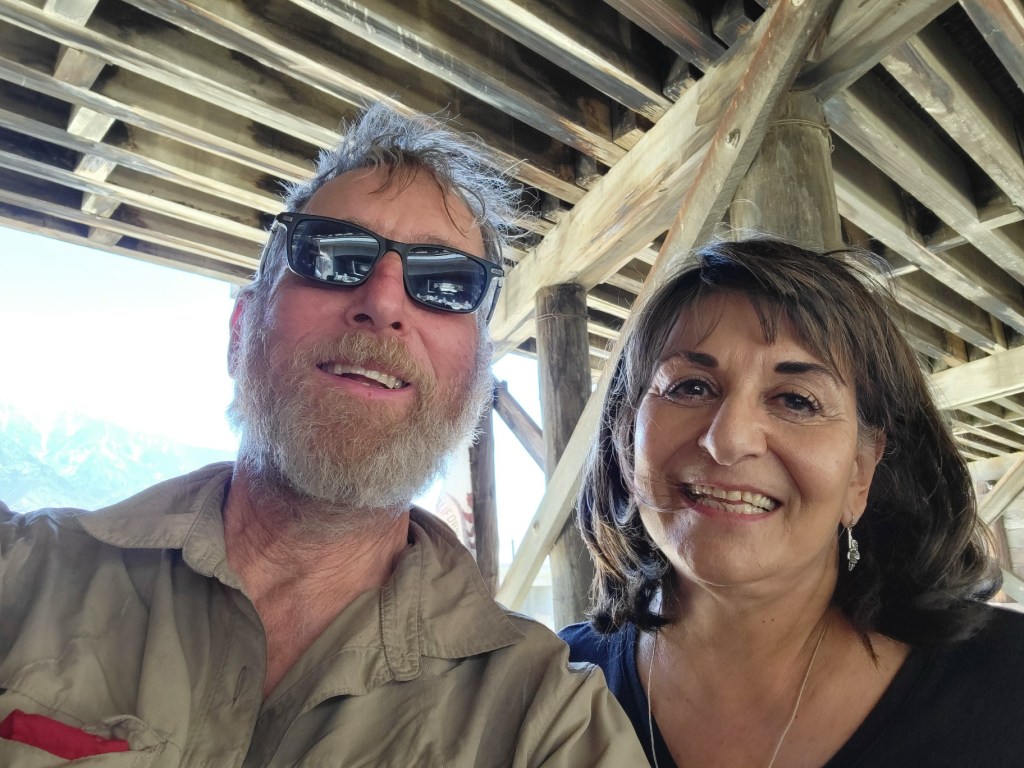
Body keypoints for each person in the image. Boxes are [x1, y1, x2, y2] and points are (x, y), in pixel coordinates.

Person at [0, 105, 646, 767]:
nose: (384, 302)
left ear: (477, 379)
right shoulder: (19, 577)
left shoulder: (549, 725)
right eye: (332, 255)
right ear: (240, 332)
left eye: (445, 284)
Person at [560, 238, 1024, 768]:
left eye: (796, 400)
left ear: (861, 472)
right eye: (690, 388)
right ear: (626, 439)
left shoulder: (1009, 682)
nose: (729, 440)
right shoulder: (549, 688)